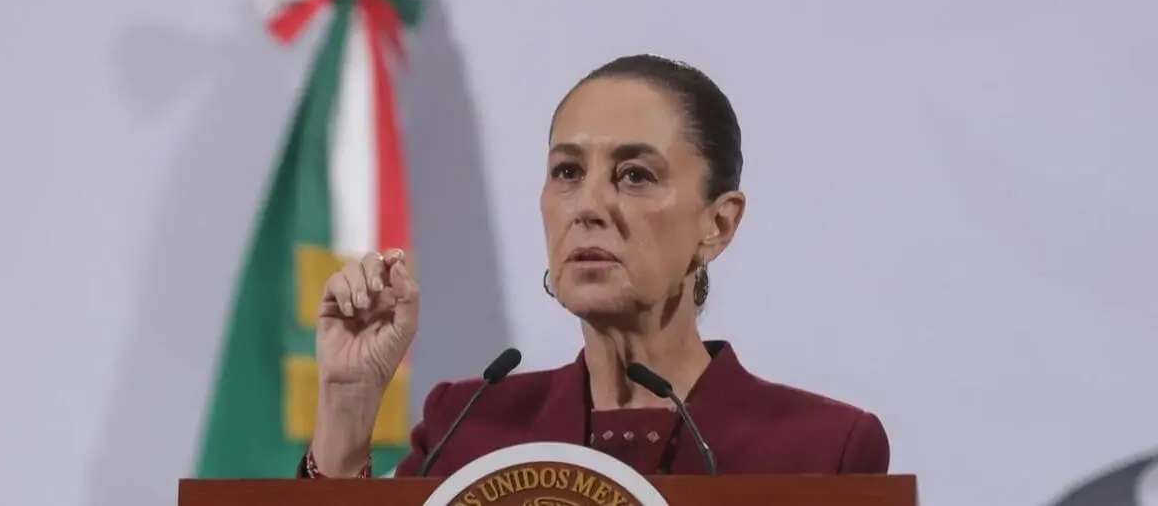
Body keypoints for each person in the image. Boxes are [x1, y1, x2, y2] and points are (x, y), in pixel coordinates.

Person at [299, 54, 890, 479]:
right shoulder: (467, 429)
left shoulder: (820, 451)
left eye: (635, 175)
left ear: (718, 223)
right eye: (567, 172)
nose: (588, 206)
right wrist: (347, 406)